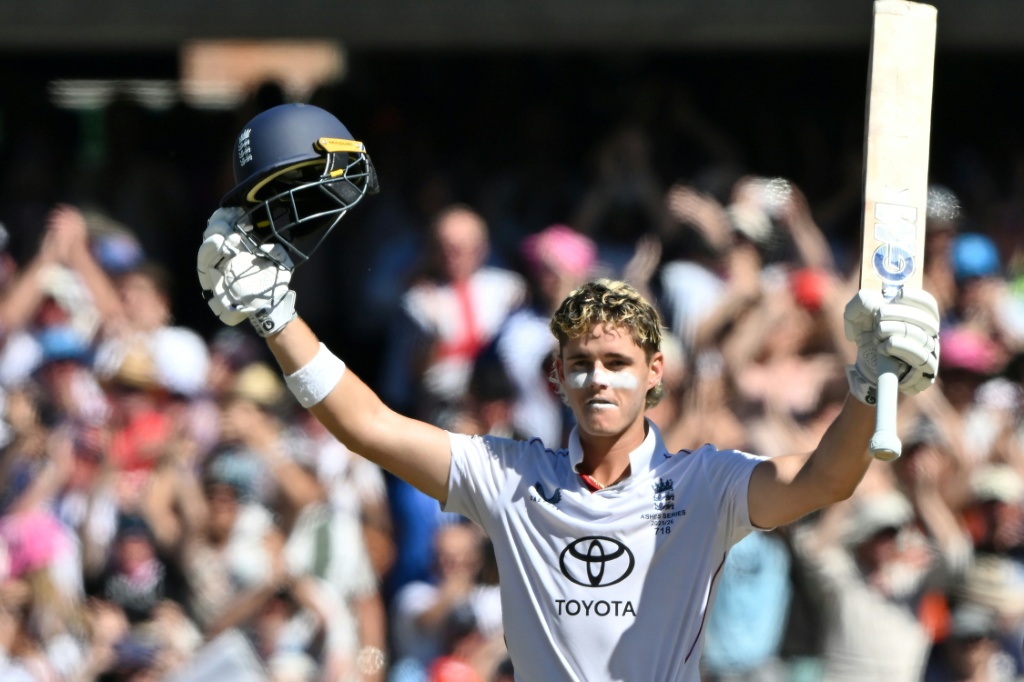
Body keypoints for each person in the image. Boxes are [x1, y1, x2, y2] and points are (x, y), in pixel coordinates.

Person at [195, 102, 942, 681]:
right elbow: (369, 426)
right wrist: (275, 314)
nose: (597, 379)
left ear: (656, 375)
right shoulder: (510, 478)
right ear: (555, 378)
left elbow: (826, 479)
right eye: (580, 364)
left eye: (618, 363)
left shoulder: (705, 483)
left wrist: (878, 385)